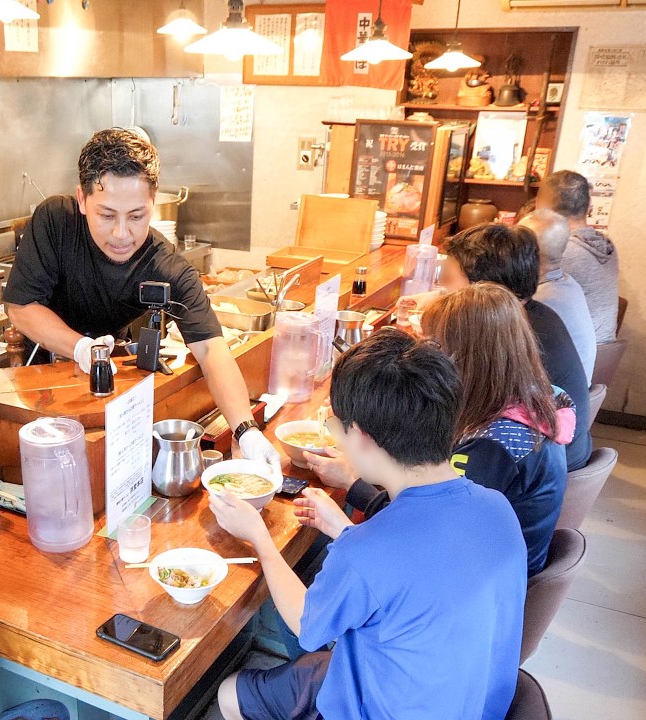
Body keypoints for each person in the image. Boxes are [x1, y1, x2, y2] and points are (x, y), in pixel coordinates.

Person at [210, 329, 526, 720]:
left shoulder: (365, 554)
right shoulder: (497, 508)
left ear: (361, 437)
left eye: (336, 425)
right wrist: (347, 531)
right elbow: (413, 572)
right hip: (474, 706)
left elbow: (306, 624)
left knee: (228, 692)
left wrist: (259, 536)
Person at [3, 128, 280, 473]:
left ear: (153, 202)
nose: (122, 234)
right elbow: (20, 306)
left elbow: (211, 349)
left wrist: (246, 429)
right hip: (40, 378)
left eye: (136, 216)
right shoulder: (56, 221)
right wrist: (81, 348)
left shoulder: (165, 265)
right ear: (82, 199)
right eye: (106, 215)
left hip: (109, 390)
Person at [317, 284, 572, 577]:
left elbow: (426, 533)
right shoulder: (528, 398)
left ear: (468, 356)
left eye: (435, 345)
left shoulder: (494, 447)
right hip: (482, 574)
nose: (425, 353)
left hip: (471, 582)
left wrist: (354, 486)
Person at [435, 222, 590, 471]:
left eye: (449, 280)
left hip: (522, 472)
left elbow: (461, 408)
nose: (443, 290)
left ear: (483, 289)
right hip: (545, 463)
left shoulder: (512, 340)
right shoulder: (529, 316)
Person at [537, 170, 620, 343]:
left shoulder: (560, 250)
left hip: (573, 356)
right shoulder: (606, 246)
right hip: (602, 356)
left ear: (541, 206)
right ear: (588, 206)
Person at [522, 209, 596, 385]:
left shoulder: (539, 304)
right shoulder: (570, 285)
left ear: (526, 253)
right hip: (573, 399)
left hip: (556, 406)